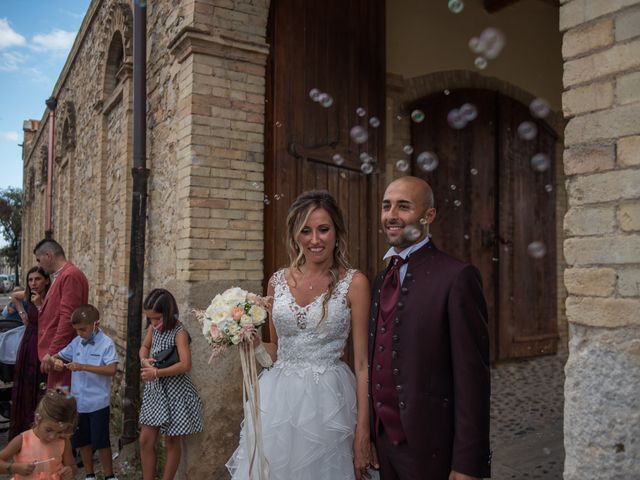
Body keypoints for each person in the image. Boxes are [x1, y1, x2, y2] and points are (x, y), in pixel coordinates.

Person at [227, 190, 374, 480]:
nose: (315, 240)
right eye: (306, 231)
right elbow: (275, 351)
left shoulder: (354, 283)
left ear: (337, 232)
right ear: (296, 235)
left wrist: (363, 432)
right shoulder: (277, 282)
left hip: (329, 404)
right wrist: (253, 343)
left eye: (323, 229)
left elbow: (362, 365)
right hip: (277, 404)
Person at [368, 176, 491, 480]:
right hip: (383, 444)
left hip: (432, 447)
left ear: (429, 216)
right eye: (386, 206)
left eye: (404, 206)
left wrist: (467, 464)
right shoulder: (379, 280)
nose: (391, 215)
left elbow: (472, 378)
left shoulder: (457, 277)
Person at [138, 289, 204, 480]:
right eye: (150, 319)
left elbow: (185, 364)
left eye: (157, 318)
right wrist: (144, 360)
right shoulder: (153, 329)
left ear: (167, 313)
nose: (153, 323)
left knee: (172, 441)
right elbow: (144, 347)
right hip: (155, 392)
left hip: (176, 393)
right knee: (145, 440)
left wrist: (157, 372)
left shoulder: (179, 332)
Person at [52, 305, 118, 480]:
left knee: (102, 441)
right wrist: (55, 361)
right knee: (83, 441)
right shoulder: (76, 343)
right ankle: (90, 474)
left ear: (96, 324)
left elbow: (111, 369)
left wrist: (82, 366)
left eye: (83, 329)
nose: (80, 333)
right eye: (77, 330)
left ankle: (109, 475)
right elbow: (57, 356)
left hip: (98, 402)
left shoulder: (106, 344)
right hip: (79, 403)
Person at [33, 239, 89, 388]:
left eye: (39, 260)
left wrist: (53, 352)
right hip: (60, 354)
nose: (39, 265)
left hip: (63, 355)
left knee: (60, 405)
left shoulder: (70, 276)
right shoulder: (62, 276)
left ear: (48, 255)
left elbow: (68, 318)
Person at [9, 267, 50, 439]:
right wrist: (22, 312)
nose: (33, 283)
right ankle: (26, 428)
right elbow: (14, 296)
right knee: (27, 383)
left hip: (42, 342)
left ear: (46, 280)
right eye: (30, 279)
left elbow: (49, 323)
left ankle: (41, 427)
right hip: (29, 341)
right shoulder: (28, 295)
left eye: (37, 279)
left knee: (41, 384)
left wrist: (40, 305)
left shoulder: (49, 298)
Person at [0, 387, 77, 479]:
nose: (52, 436)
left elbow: (72, 466)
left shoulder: (63, 442)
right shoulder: (22, 440)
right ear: (37, 419)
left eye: (60, 432)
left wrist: (69, 471)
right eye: (49, 430)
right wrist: (14, 468)